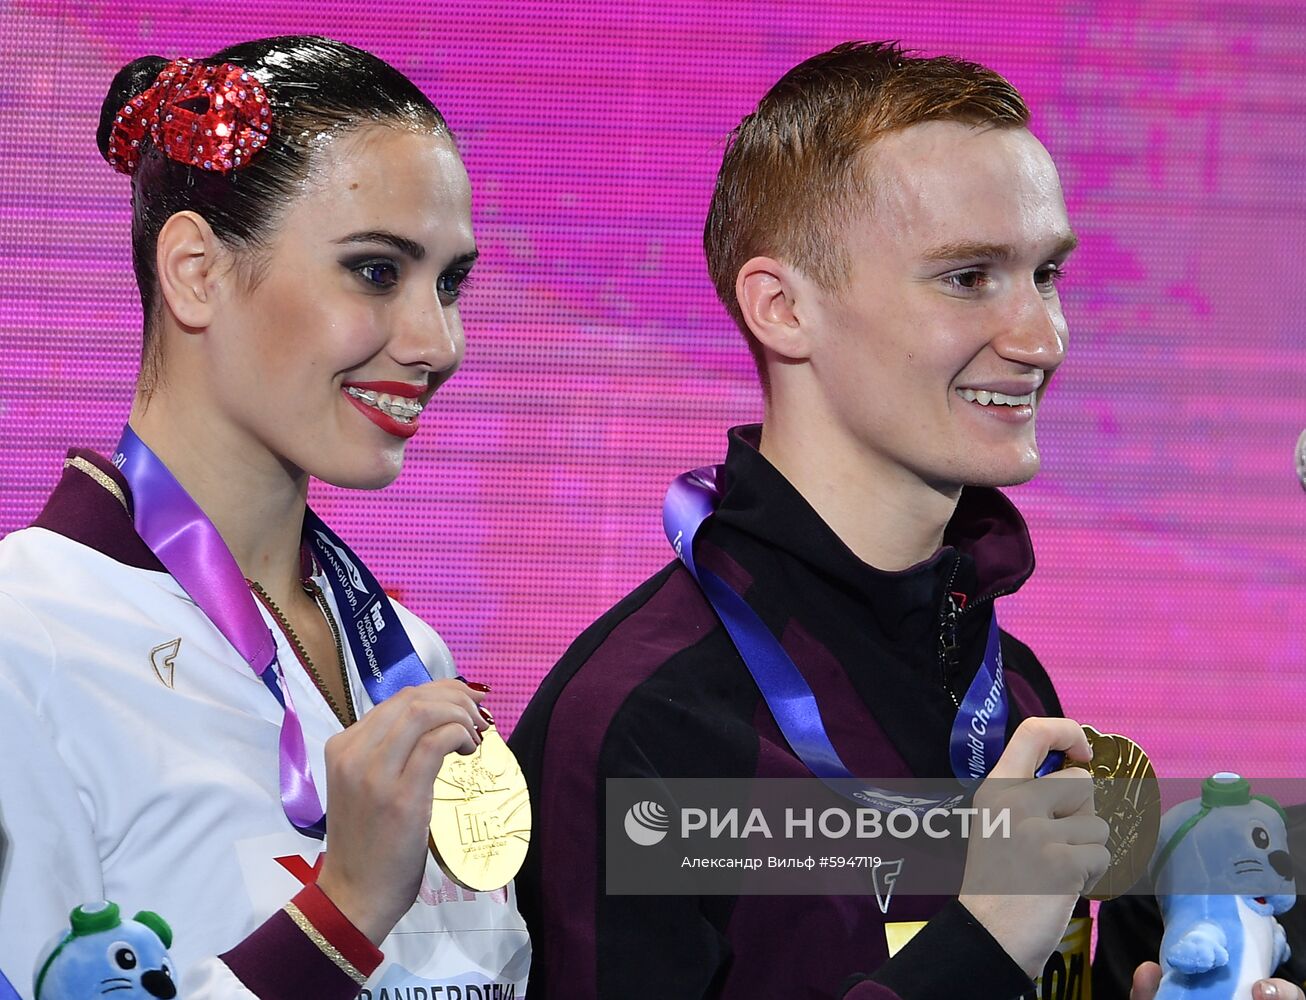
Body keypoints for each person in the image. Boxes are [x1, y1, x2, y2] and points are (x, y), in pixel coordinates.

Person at [509, 41, 1108, 999]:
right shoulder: (650, 720)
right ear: (783, 308)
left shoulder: (1013, 693)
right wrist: (981, 946)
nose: (1041, 337)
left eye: (1047, 274)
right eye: (968, 278)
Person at [0, 36, 530, 998]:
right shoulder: (24, 642)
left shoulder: (409, 654)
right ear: (196, 271)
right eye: (376, 271)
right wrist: (342, 912)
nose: (437, 341)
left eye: (450, 282)